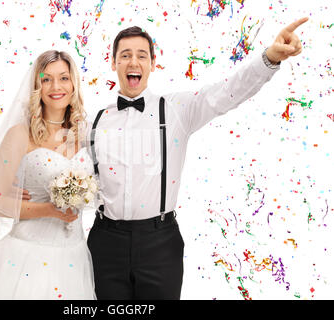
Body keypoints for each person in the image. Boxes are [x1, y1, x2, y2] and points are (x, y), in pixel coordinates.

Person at [86, 18, 308, 299]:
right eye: (125, 55)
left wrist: (269, 58)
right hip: (105, 241)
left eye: (141, 55)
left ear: (153, 63)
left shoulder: (178, 108)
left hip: (160, 242)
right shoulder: (93, 120)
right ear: (113, 62)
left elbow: (227, 92)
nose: (133, 62)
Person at [0, 50, 96, 299]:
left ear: (74, 83)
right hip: (27, 257)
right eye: (46, 79)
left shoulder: (84, 133)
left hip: (74, 256)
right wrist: (48, 209)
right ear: (37, 86)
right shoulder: (20, 135)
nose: (56, 86)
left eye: (64, 78)